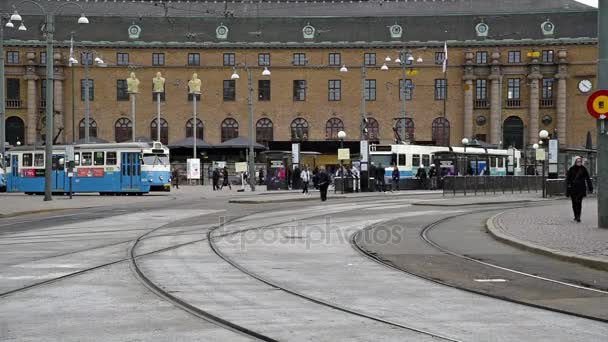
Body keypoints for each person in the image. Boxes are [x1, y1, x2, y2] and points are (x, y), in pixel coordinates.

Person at [566, 157, 593, 223]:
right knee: (574, 203)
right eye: (578, 161)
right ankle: (575, 215)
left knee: (579, 202)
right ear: (575, 162)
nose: (579, 163)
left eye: (580, 161)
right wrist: (567, 190)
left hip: (581, 188)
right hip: (573, 188)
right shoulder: (571, 169)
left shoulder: (583, 169)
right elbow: (568, 180)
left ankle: (578, 216)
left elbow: (588, 179)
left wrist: (590, 187)